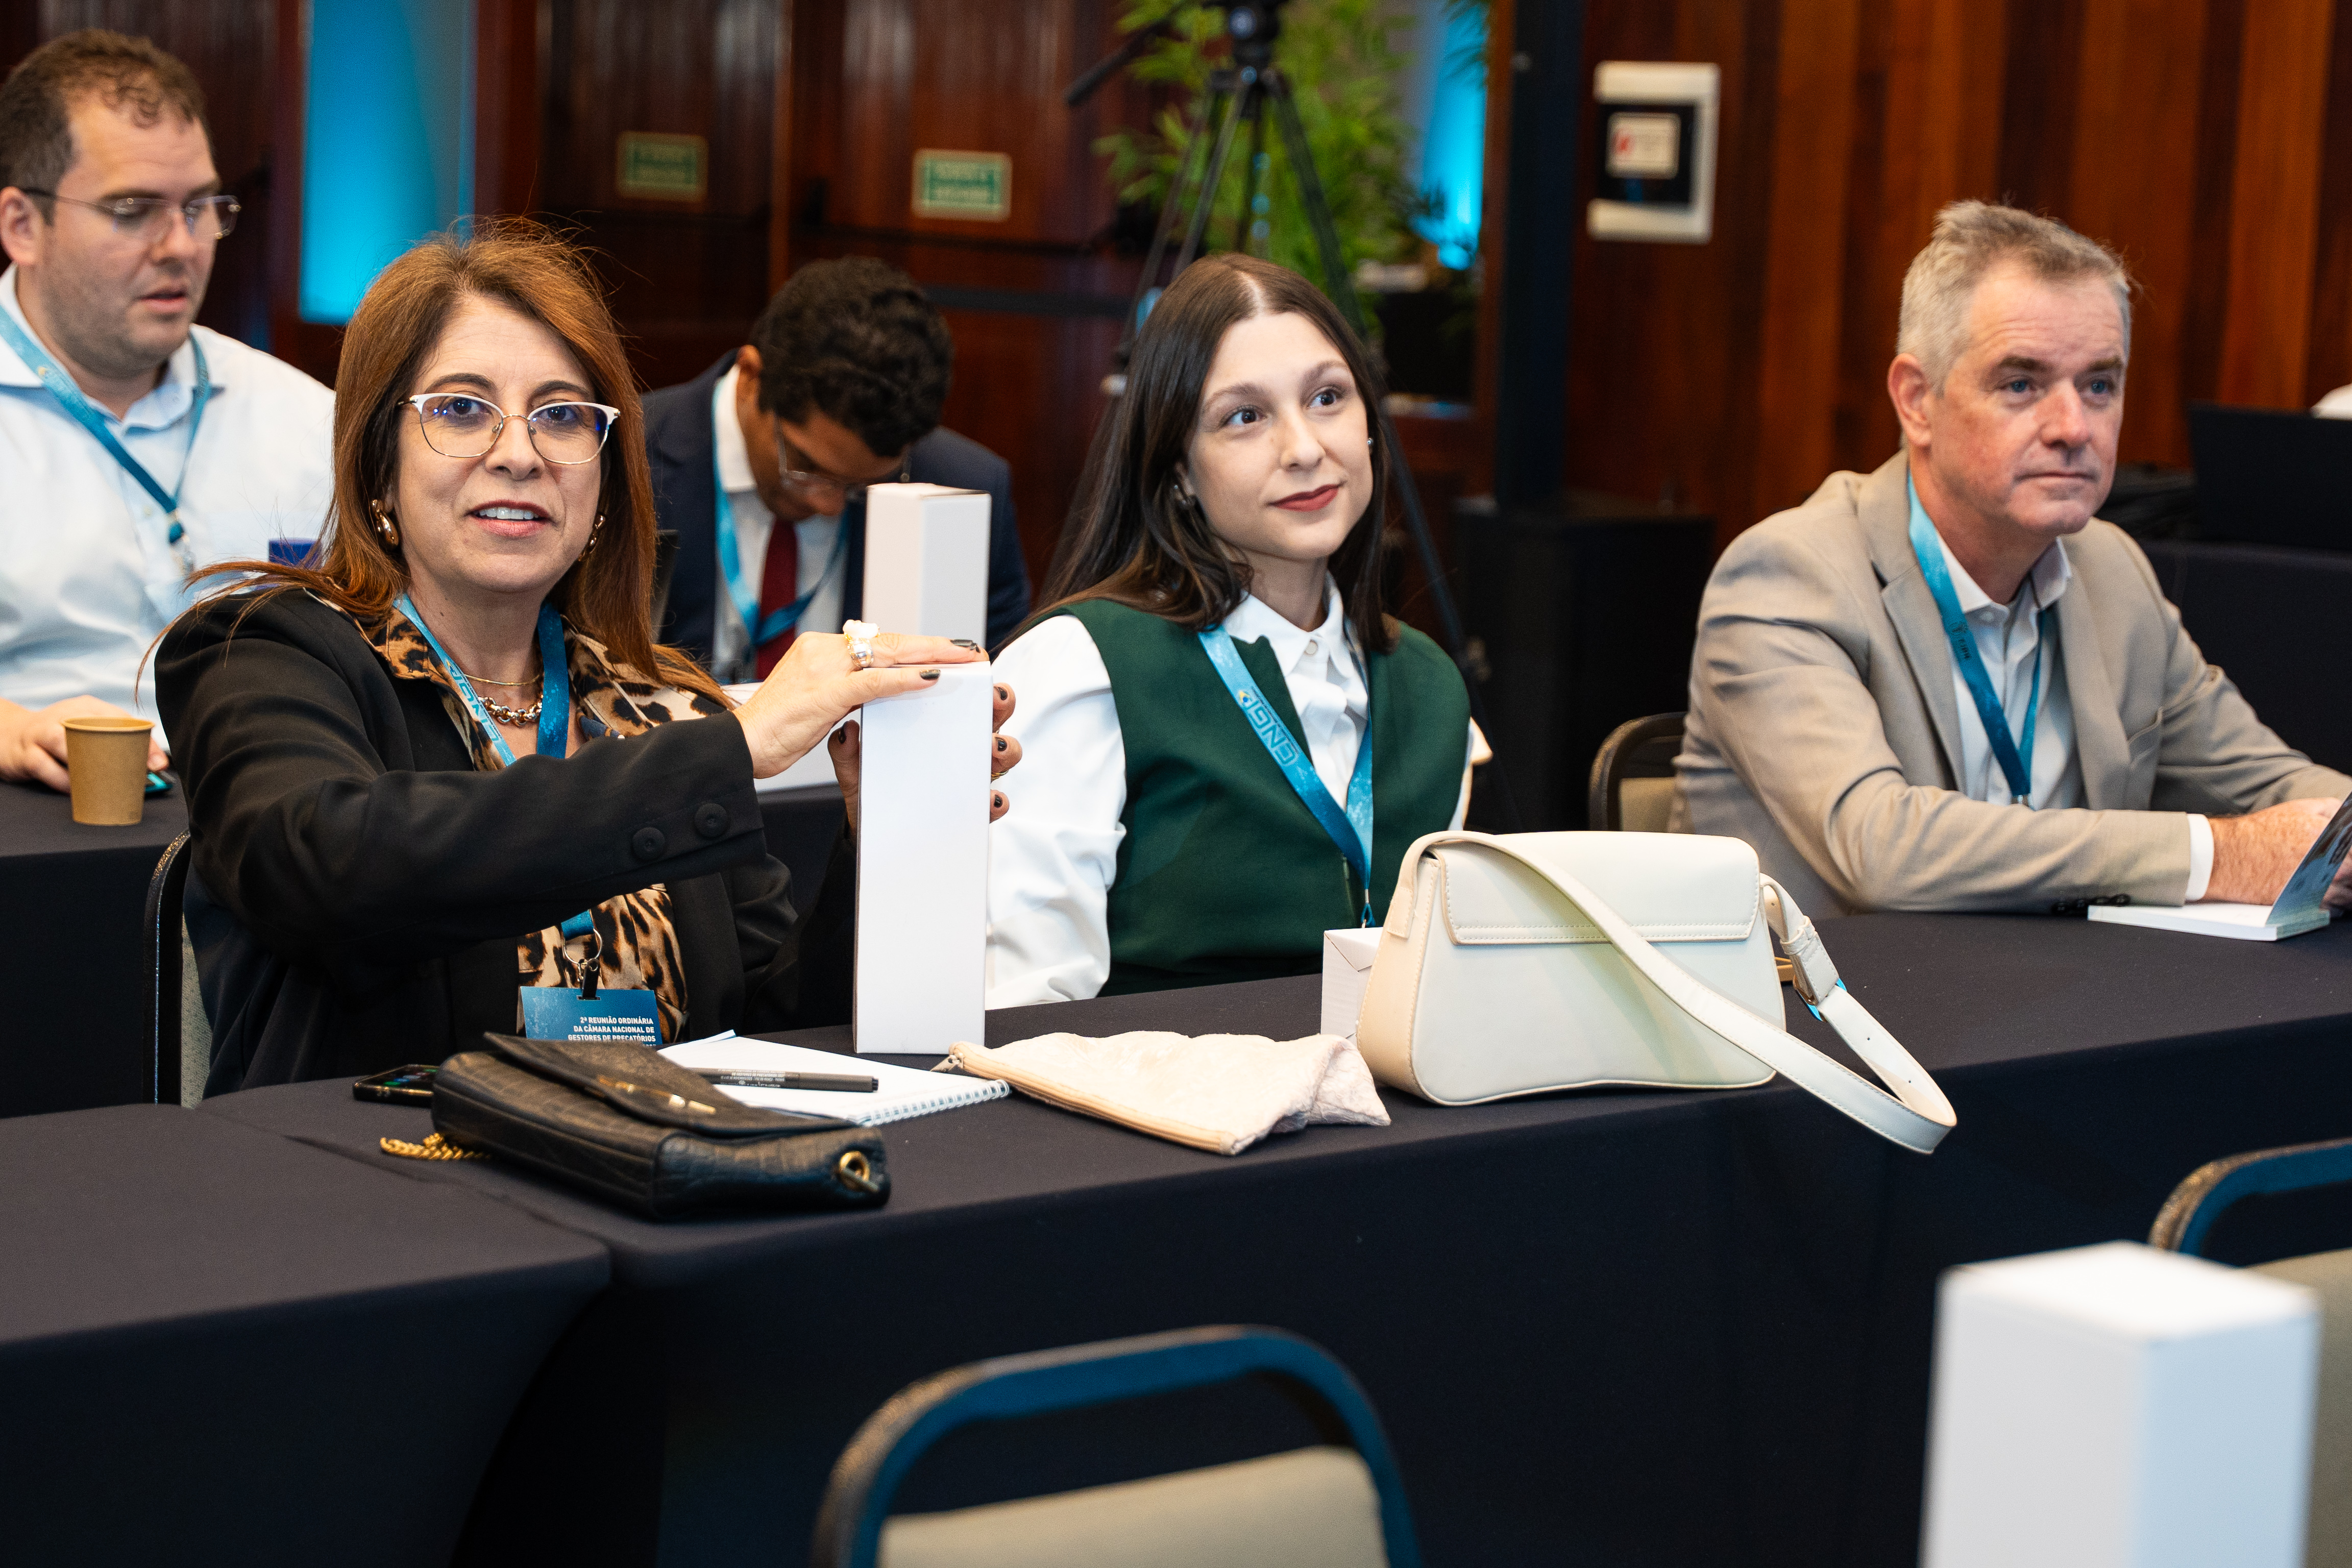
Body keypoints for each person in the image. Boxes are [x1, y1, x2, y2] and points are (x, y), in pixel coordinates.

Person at [156, 220, 1015, 1093]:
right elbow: (331, 870)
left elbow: (772, 1037)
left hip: (658, 1202)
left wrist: (877, 844)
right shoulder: (258, 653)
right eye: (461, 408)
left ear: (604, 483)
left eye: (563, 416)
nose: (520, 453)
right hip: (379, 1200)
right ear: (378, 460)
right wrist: (730, 754)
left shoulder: (661, 708)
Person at [1676, 200, 2352, 915]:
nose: (2072, 428)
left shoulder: (2112, 569)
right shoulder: (1790, 575)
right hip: (1812, 1016)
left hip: (2060, 1008)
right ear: (1916, 401)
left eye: (2099, 385)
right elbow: (1882, 851)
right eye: (2021, 384)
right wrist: (2220, 856)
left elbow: (2272, 785)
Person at [985, 253, 1478, 1005]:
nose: (1306, 448)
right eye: (1245, 417)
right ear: (1178, 468)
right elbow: (1021, 1012)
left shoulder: (1429, 685)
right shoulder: (1081, 668)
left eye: (1328, 397)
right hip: (1145, 1111)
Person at [0, 29, 333, 789]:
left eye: (201, 207)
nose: (181, 246)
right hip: (28, 834)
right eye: (133, 210)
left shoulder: (305, 422)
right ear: (24, 226)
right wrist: (12, 731)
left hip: (274, 835)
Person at [643, 257, 1030, 681]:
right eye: (807, 466)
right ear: (753, 379)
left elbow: (995, 685)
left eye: (862, 486)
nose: (829, 506)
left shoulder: (965, 490)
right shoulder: (627, 456)